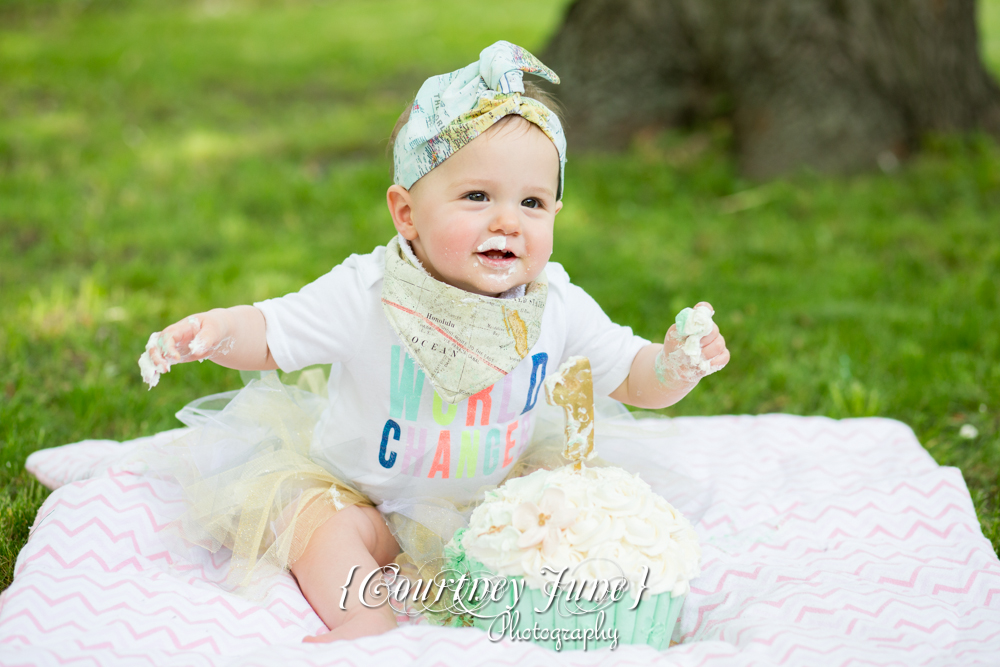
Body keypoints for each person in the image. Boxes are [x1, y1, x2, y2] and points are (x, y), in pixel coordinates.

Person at [136, 41, 729, 643]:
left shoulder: (555, 303)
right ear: (407, 214)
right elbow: (270, 334)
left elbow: (632, 375)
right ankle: (362, 616)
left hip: (492, 505)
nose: (507, 221)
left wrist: (675, 365)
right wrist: (216, 330)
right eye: (477, 196)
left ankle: (571, 615)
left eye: (533, 202)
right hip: (361, 492)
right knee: (311, 523)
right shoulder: (368, 291)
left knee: (568, 527)